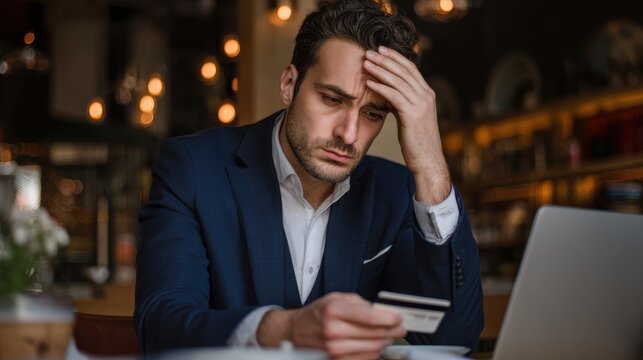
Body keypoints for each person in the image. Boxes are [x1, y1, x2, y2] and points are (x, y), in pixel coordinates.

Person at [135, 0, 483, 358]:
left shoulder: (397, 192)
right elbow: (161, 327)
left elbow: (456, 338)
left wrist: (432, 169)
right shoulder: (193, 170)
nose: (349, 134)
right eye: (332, 99)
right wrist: (280, 329)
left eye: (373, 114)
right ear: (289, 84)